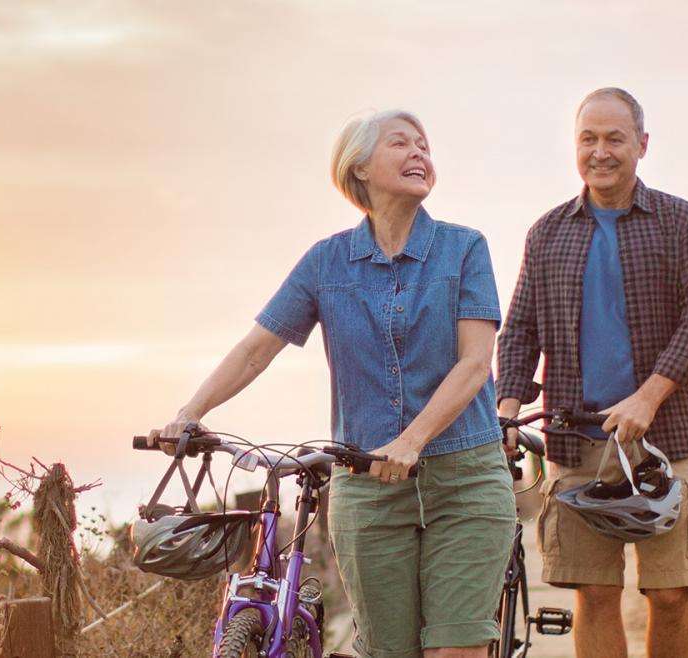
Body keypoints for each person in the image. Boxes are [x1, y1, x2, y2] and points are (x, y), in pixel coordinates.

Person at [156, 109, 512, 657]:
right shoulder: (327, 263)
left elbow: (474, 363)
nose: (421, 153)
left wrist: (411, 440)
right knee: (386, 651)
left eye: (425, 146)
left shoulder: (464, 249)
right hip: (368, 490)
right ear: (360, 168)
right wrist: (189, 412)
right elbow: (257, 348)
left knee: (455, 648)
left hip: (464, 480)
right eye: (402, 143)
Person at [495, 87, 688, 658]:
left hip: (666, 441)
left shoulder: (680, 221)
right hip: (575, 445)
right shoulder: (547, 234)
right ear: (575, 146)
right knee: (594, 595)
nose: (601, 151)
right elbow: (519, 329)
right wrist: (506, 410)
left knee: (671, 594)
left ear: (641, 145)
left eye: (614, 138)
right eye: (588, 138)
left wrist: (648, 397)